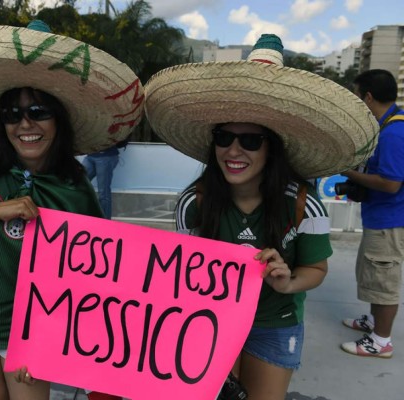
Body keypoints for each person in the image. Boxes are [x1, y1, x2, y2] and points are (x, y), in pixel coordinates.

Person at [0, 21, 143, 400]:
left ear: (60, 120)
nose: (25, 124)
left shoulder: (75, 185)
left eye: (39, 111)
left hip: (32, 333)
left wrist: (48, 340)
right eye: (12, 114)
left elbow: (94, 273)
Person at [144, 34, 378, 400]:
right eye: (224, 137)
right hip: (208, 323)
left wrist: (287, 282)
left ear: (273, 149)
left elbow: (316, 271)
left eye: (251, 140)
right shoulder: (193, 203)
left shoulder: (305, 206)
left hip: (275, 323)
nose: (234, 150)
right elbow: (181, 274)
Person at [340, 69, 404, 359]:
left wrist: (348, 172)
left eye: (357, 95)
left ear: (367, 96)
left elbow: (391, 184)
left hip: (390, 221)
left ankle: (381, 341)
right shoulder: (388, 124)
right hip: (380, 218)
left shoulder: (393, 133)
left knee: (383, 281)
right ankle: (374, 322)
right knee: (371, 274)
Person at [82, 142, 124, 219]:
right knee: (78, 182)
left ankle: (105, 221)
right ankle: (82, 214)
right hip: (90, 155)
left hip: (106, 156)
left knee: (103, 191)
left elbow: (121, 139)